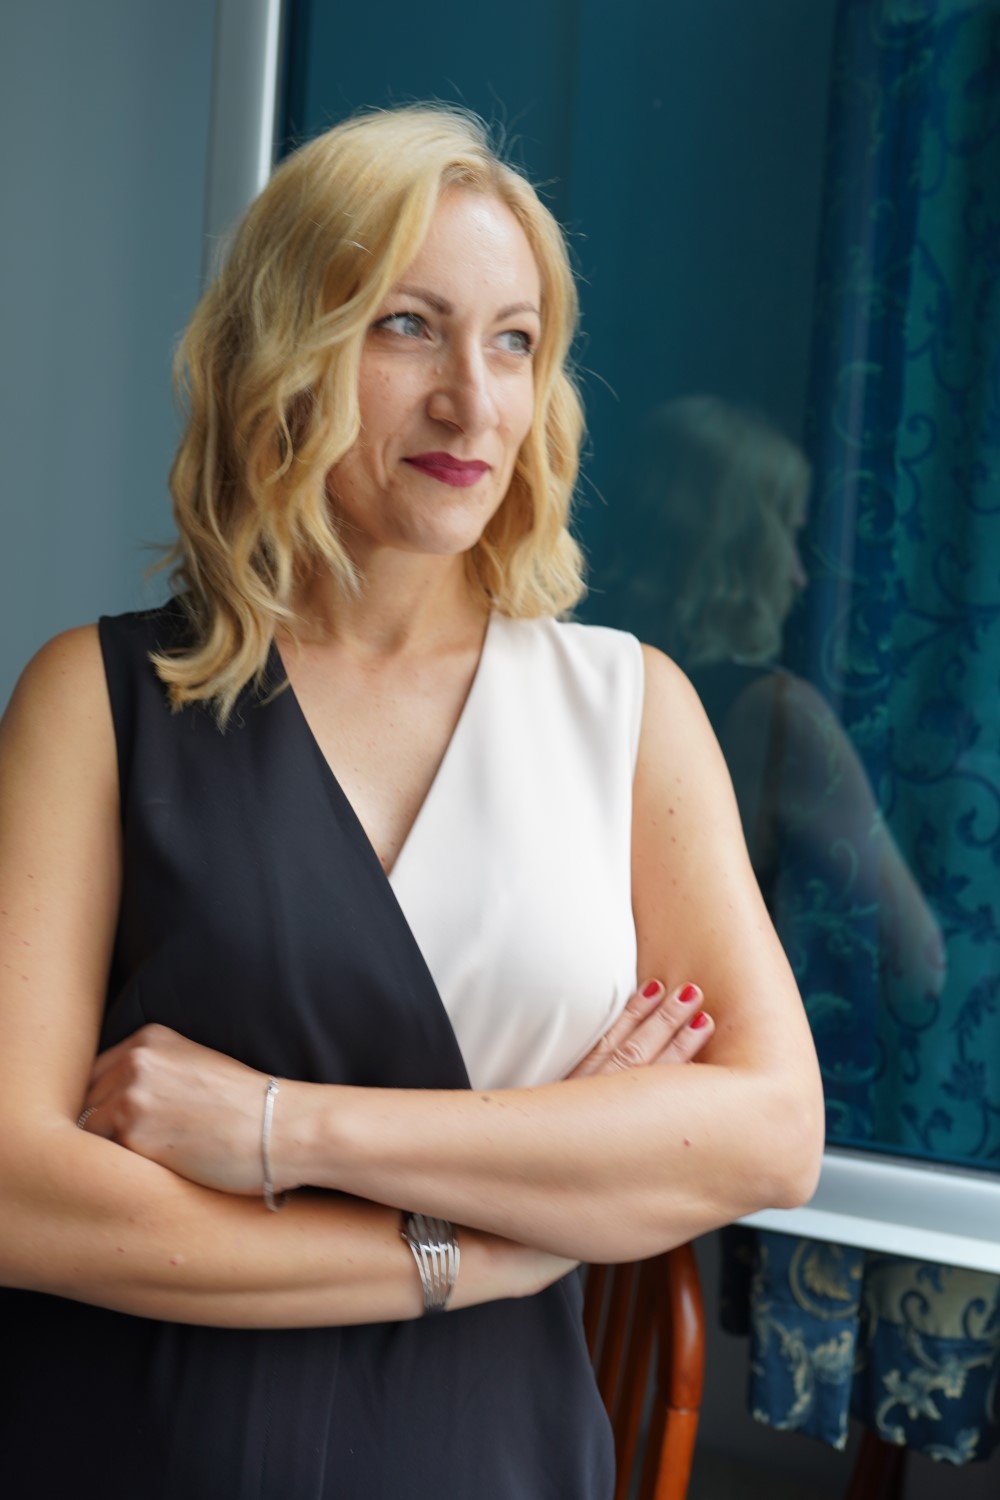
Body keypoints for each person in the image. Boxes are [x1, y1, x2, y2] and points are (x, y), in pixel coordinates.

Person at [0, 109, 823, 1499]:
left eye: (514, 342)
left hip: (491, 1457)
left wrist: (281, 1127)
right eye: (407, 328)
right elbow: (18, 1197)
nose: (472, 402)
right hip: (131, 1445)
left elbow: (770, 1134)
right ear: (284, 352)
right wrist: (488, 1247)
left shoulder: (629, 711)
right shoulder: (96, 699)